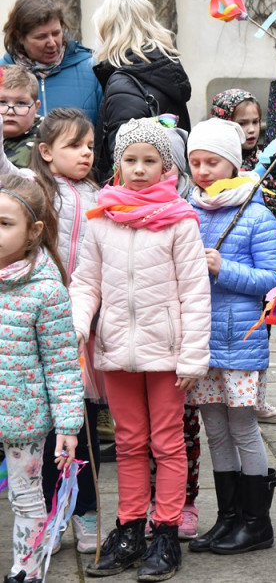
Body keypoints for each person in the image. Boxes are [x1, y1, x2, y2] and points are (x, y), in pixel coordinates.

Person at [70, 118, 211, 581]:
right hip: (116, 351)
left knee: (167, 444)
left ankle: (165, 531)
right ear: (118, 165)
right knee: (129, 443)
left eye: (150, 160)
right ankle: (129, 527)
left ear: (166, 166)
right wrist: (78, 322)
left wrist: (193, 355)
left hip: (168, 354)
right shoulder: (102, 218)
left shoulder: (180, 222)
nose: (139, 169)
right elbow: (86, 281)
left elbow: (194, 292)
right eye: (130, 160)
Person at [185, 118, 276, 554]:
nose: (203, 170)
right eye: (195, 162)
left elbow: (273, 277)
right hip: (199, 339)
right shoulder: (187, 211)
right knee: (215, 431)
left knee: (243, 428)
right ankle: (227, 519)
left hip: (240, 338)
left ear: (233, 163)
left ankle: (256, 522)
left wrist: (224, 268)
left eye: (212, 162)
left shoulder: (256, 213)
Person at [23, 108, 103, 554]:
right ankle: (51, 511)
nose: (85, 154)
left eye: (89, 145)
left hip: (83, 325)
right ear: (46, 152)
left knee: (82, 423)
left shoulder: (100, 194)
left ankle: (86, 512)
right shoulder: (33, 189)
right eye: (74, 145)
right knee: (47, 429)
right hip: (41, 322)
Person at [0, 173, 83, 583]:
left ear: (33, 231)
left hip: (23, 417)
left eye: (5, 223)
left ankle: (26, 572)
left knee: (25, 498)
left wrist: (68, 425)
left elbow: (62, 363)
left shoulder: (46, 290)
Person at [208, 88, 276, 424]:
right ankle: (234, 397)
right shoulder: (224, 167)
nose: (251, 129)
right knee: (242, 331)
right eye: (241, 123)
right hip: (237, 258)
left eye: (255, 121)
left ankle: (257, 399)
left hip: (272, 252)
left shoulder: (270, 157)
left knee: (264, 329)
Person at [91, 0, 192, 181]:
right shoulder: (164, 70)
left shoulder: (123, 83)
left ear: (108, 31)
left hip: (140, 200)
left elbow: (122, 162)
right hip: (168, 189)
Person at [2, 0, 103, 124]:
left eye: (56, 33)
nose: (52, 43)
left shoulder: (92, 69)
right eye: (41, 37)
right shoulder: (2, 73)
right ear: (20, 37)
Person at [1, 65, 41, 168]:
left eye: (21, 103)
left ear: (36, 107)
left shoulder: (49, 139)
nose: (10, 111)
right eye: (2, 102)